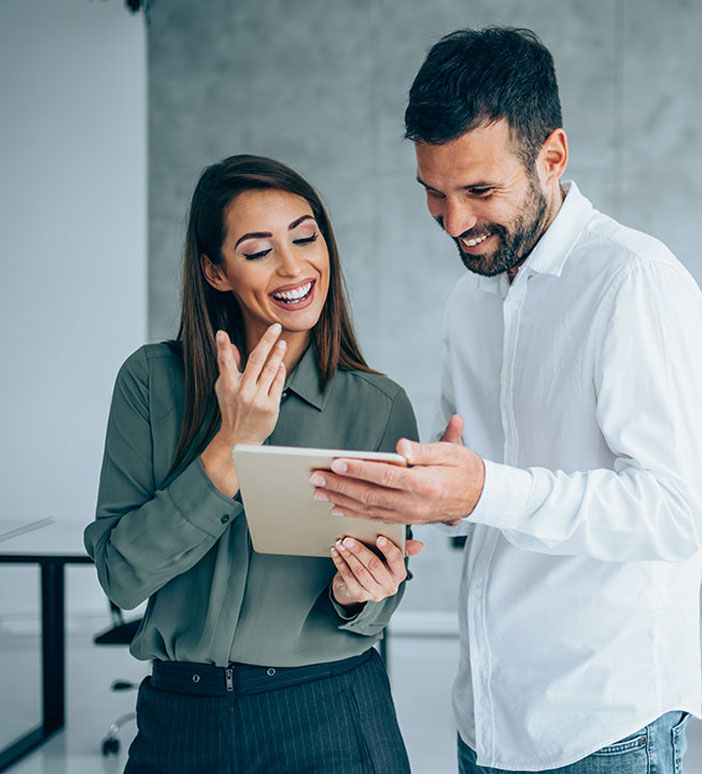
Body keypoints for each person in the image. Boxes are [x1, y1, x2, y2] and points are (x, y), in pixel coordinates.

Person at [309, 26, 702, 773]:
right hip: (487, 717)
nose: (455, 223)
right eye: (434, 193)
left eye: (479, 191)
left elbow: (677, 511)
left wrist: (483, 488)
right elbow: (476, 487)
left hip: (604, 727)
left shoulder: (633, 282)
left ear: (552, 156)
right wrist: (427, 499)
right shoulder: (471, 298)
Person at [84, 154, 422, 774]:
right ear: (216, 271)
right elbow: (121, 576)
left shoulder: (378, 405)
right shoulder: (151, 384)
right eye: (259, 249)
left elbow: (378, 602)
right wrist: (229, 446)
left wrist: (362, 593)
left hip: (330, 715)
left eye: (305, 235)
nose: (295, 267)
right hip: (181, 722)